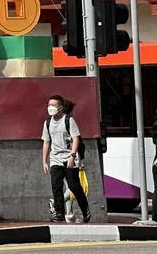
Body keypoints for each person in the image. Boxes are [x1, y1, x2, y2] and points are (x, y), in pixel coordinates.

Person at [42, 95, 90, 223]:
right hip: (55, 159)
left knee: (73, 186)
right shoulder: (47, 123)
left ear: (60, 107)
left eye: (53, 105)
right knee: (56, 186)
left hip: (69, 157)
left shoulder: (68, 120)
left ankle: (85, 209)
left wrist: (73, 155)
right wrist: (44, 161)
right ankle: (59, 214)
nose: (50, 107)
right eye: (49, 105)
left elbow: (76, 138)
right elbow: (46, 142)